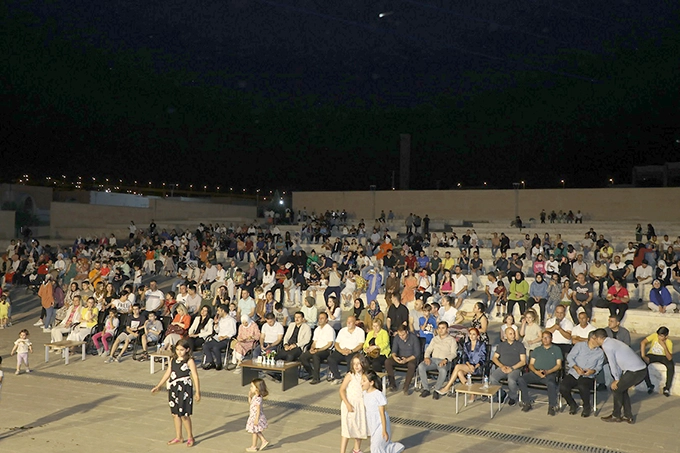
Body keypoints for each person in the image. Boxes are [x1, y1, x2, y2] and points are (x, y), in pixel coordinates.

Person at [151, 338, 201, 447]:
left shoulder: (189, 361)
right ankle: (179, 436)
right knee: (175, 414)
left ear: (187, 350)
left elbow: (195, 376)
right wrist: (158, 385)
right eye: (177, 349)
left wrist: (197, 392)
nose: (179, 352)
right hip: (173, 388)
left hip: (184, 389)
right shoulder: (173, 360)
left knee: (184, 415)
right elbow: (168, 373)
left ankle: (190, 436)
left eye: (182, 350)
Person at [592, 329, 647, 424]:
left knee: (616, 389)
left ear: (599, 338)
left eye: (594, 338)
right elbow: (617, 363)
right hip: (638, 369)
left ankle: (616, 415)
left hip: (635, 371)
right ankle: (628, 416)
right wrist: (617, 378)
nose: (594, 340)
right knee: (622, 389)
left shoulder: (606, 345)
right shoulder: (611, 341)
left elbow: (612, 363)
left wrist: (617, 379)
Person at [560, 332, 605, 417]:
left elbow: (599, 366)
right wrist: (576, 367)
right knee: (563, 387)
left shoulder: (600, 352)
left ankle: (586, 407)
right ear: (592, 338)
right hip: (575, 372)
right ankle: (572, 404)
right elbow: (570, 357)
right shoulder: (579, 346)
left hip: (588, 375)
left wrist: (593, 371)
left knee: (582, 386)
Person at [518, 331, 563, 416]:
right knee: (521, 379)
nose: (545, 340)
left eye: (547, 337)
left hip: (549, 373)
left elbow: (559, 365)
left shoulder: (556, 349)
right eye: (543, 338)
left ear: (551, 339)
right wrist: (536, 372)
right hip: (536, 372)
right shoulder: (537, 350)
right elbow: (531, 364)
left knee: (551, 383)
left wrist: (548, 371)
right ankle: (526, 402)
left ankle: (552, 406)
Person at [361, 372, 405, 453]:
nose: (361, 383)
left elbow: (382, 413)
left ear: (371, 382)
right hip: (372, 423)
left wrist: (384, 430)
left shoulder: (378, 394)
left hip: (380, 423)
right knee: (377, 444)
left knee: (375, 447)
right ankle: (393, 448)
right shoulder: (364, 393)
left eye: (364, 381)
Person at [437, 328, 487, 399]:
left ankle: (447, 387)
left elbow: (483, 358)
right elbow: (464, 357)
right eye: (470, 334)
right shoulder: (466, 345)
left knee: (457, 367)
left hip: (478, 367)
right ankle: (472, 392)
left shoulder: (482, 344)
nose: (472, 336)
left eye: (474, 334)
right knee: (459, 372)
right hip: (468, 366)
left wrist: (474, 366)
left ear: (477, 336)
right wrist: (469, 365)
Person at [419, 321, 458, 399]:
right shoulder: (435, 339)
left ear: (447, 329)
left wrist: (446, 359)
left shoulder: (452, 340)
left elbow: (454, 353)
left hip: (444, 361)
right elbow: (429, 349)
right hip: (433, 360)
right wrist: (426, 357)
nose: (440, 330)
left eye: (443, 328)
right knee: (421, 366)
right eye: (439, 328)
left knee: (443, 370)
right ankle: (426, 389)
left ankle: (437, 390)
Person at [339, 354, 369, 453]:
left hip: (360, 404)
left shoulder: (365, 376)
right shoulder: (350, 376)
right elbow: (342, 390)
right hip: (349, 403)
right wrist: (347, 404)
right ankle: (342, 451)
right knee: (347, 429)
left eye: (358, 364)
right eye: (354, 364)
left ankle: (356, 449)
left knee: (359, 427)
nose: (356, 366)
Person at [490, 326, 526, 406]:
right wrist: (502, 366)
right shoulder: (501, 345)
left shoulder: (520, 346)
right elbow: (494, 358)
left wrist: (512, 368)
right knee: (492, 378)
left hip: (515, 368)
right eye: (510, 334)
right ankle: (502, 393)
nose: (513, 335)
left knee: (511, 380)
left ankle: (513, 397)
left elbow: (523, 361)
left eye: (513, 333)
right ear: (505, 336)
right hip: (503, 367)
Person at [300, 312, 336, 384]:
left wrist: (318, 350)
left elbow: (329, 344)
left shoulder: (330, 330)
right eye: (319, 318)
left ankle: (316, 378)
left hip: (326, 350)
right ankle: (311, 373)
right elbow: (314, 342)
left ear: (326, 320)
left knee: (316, 356)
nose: (320, 320)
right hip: (317, 349)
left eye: (322, 318)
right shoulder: (317, 329)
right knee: (303, 356)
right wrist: (312, 348)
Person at [328, 316, 366, 383]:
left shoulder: (360, 331)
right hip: (341, 350)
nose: (348, 323)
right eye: (347, 321)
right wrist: (341, 350)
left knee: (351, 360)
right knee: (331, 358)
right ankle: (337, 377)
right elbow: (336, 343)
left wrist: (351, 351)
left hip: (353, 351)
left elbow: (361, 345)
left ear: (354, 323)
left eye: (350, 322)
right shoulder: (342, 330)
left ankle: (349, 378)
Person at [385, 325, 421, 395]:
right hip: (400, 357)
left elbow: (417, 353)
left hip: (411, 358)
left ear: (407, 332)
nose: (401, 336)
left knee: (412, 365)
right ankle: (392, 384)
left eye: (403, 335)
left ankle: (406, 386)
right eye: (400, 335)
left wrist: (407, 360)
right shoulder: (397, 338)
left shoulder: (414, 338)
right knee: (388, 362)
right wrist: (395, 357)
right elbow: (394, 351)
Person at [202, 304, 237, 370]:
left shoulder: (231, 320)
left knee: (216, 348)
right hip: (218, 337)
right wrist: (216, 324)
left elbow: (233, 332)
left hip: (226, 339)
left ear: (223, 311)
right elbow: (217, 330)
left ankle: (219, 363)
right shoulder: (220, 319)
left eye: (218, 311)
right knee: (205, 345)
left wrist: (225, 336)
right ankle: (211, 361)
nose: (217, 312)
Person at [641, 326, 674, 397]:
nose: (659, 338)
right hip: (652, 355)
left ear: (666, 336)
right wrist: (643, 356)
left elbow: (669, 358)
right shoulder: (654, 336)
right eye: (659, 335)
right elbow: (643, 342)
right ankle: (649, 385)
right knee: (643, 364)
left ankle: (667, 388)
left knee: (671, 365)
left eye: (661, 336)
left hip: (663, 356)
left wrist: (664, 346)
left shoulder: (669, 342)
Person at [245, 378, 270, 452]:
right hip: (254, 416)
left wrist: (256, 418)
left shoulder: (258, 399)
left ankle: (258, 444)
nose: (250, 388)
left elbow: (258, 410)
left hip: (255, 417)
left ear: (257, 389)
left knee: (255, 431)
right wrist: (249, 397)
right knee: (255, 431)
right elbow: (251, 404)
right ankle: (255, 445)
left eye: (252, 386)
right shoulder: (256, 397)